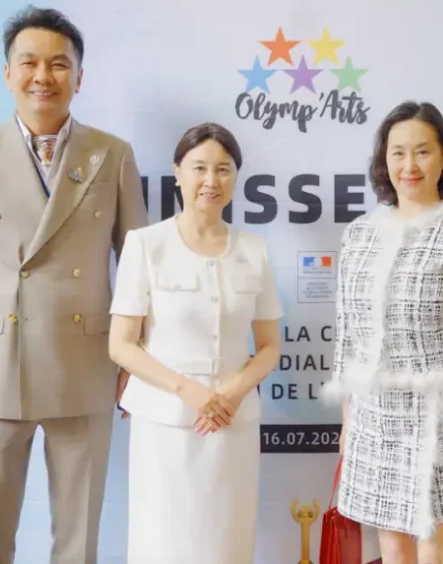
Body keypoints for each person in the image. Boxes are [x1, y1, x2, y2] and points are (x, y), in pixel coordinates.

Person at [0, 5, 148, 564]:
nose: (43, 76)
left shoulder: (112, 154)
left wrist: (134, 358)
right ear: (8, 74)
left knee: (78, 538)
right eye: (29, 62)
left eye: (58, 64)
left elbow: (140, 266)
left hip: (87, 361)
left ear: (79, 76)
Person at [322, 101, 443, 563]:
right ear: (383, 160)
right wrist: (349, 420)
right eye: (398, 152)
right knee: (391, 546)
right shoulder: (360, 235)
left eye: (422, 152)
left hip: (439, 413)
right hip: (373, 414)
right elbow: (349, 334)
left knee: (434, 549)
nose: (409, 165)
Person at [107, 122, 284, 564]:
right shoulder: (146, 244)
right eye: (199, 168)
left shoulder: (254, 249)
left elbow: (269, 346)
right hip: (165, 423)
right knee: (164, 541)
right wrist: (190, 391)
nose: (211, 181)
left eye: (223, 169)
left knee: (227, 541)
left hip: (232, 423)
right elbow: (122, 345)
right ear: (178, 173)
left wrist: (233, 391)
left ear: (236, 177)